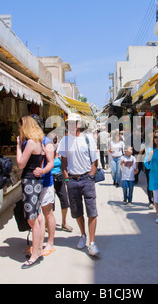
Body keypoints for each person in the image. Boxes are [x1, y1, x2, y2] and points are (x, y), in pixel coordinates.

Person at [57, 113, 100, 256]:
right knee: (77, 211)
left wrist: (91, 176)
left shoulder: (88, 139)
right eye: (68, 123)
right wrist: (67, 178)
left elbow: (95, 161)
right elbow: (63, 162)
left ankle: (92, 243)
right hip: (72, 181)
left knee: (91, 211)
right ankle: (83, 235)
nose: (70, 125)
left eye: (72, 123)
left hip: (86, 179)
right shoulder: (64, 141)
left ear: (78, 124)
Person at [16, 116, 46, 269]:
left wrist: (18, 146)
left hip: (29, 183)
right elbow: (40, 164)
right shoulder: (39, 143)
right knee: (38, 217)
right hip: (36, 183)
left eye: (20, 127)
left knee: (32, 220)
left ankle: (35, 255)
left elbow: (20, 164)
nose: (19, 130)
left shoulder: (30, 143)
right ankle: (39, 251)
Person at [28, 114, 56, 257]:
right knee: (36, 215)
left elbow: (51, 162)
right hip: (33, 184)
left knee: (47, 213)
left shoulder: (47, 142)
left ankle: (50, 242)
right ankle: (37, 244)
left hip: (45, 183)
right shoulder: (31, 142)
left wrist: (43, 171)